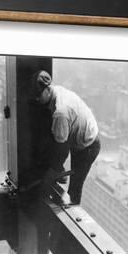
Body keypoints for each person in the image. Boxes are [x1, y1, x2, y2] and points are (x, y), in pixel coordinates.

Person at [31, 70, 101, 206]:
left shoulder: (61, 112)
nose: (37, 99)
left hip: (88, 146)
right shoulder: (57, 91)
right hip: (76, 137)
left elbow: (61, 150)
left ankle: (73, 213)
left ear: (47, 89)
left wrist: (52, 174)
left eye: (38, 95)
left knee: (75, 187)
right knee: (56, 167)